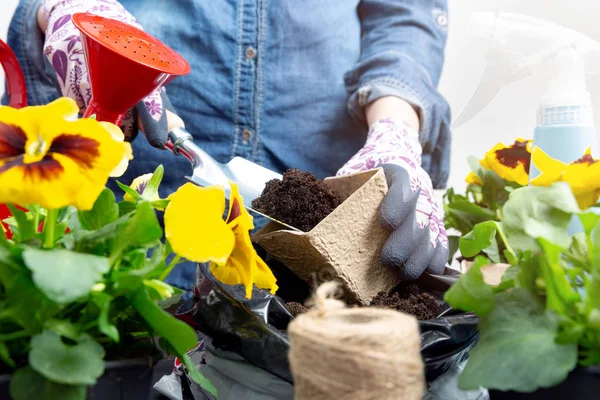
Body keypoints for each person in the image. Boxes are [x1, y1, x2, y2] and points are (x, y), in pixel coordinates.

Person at [4, 0, 451, 291]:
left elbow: (402, 14)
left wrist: (395, 126)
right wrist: (70, 8)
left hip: (320, 194)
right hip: (136, 192)